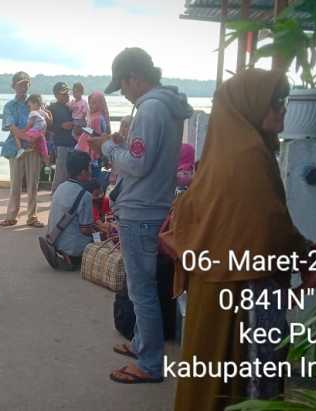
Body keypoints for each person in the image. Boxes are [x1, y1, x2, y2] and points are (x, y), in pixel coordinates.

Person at [160, 69, 316, 409]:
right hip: (243, 289)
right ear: (248, 106)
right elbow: (269, 226)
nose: (283, 110)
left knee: (209, 371)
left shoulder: (226, 151)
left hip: (216, 282)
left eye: (283, 101)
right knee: (244, 378)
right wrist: (307, 252)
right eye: (274, 103)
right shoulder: (248, 156)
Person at [95, 47, 193, 384]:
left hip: (140, 210)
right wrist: (125, 144)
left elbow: (137, 164)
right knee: (144, 287)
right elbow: (145, 155)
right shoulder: (167, 107)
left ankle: (150, 363)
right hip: (154, 204)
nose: (123, 93)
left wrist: (108, 147)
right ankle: (141, 343)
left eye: (122, 86)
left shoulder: (150, 110)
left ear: (134, 78)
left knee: (142, 290)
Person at [41, 151, 107, 270]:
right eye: (89, 168)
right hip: (73, 247)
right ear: (83, 172)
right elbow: (85, 229)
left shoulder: (60, 187)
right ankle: (73, 257)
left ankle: (62, 251)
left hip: (56, 239)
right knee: (102, 238)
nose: (91, 171)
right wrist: (100, 233)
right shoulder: (85, 195)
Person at [0, 72, 44, 228]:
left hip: (34, 149)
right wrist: (28, 139)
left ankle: (32, 216)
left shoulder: (35, 103)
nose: (23, 87)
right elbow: (12, 129)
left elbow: (44, 122)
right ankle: (11, 215)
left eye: (25, 84)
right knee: (15, 184)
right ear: (13, 86)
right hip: (16, 148)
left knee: (33, 183)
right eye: (20, 84)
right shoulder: (9, 106)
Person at [47, 82, 77, 192]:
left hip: (73, 143)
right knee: (60, 173)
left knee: (70, 172)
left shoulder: (70, 107)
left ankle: (65, 195)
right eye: (63, 94)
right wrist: (61, 126)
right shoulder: (51, 108)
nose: (67, 96)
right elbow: (48, 127)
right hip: (60, 144)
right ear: (56, 95)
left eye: (67, 93)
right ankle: (55, 194)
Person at [22, 94, 50, 164]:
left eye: (29, 106)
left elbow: (30, 124)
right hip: (42, 133)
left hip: (35, 131)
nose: (29, 108)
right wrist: (46, 111)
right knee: (43, 146)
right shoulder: (42, 112)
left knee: (21, 136)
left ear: (35, 103)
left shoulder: (33, 112)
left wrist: (23, 131)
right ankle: (46, 160)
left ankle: (25, 149)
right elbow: (49, 120)